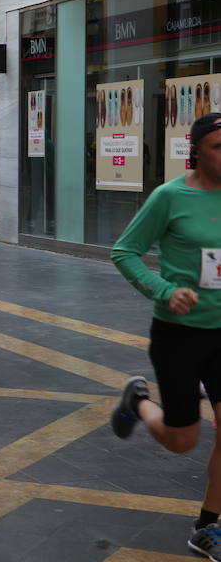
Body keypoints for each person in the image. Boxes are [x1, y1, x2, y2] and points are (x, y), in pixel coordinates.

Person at [109, 113, 221, 561]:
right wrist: (165, 290)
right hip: (179, 336)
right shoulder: (169, 197)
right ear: (196, 150)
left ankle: (207, 528)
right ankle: (137, 400)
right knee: (182, 442)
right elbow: (125, 251)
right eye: (218, 145)